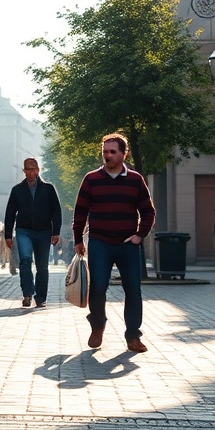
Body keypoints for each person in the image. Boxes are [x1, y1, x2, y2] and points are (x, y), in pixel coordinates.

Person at [72, 132, 155, 353]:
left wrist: (139, 235)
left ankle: (133, 336)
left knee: (133, 290)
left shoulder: (136, 180)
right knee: (98, 287)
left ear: (123, 154)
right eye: (104, 151)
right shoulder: (91, 179)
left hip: (128, 244)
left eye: (112, 152)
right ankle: (97, 326)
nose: (107, 155)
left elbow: (148, 211)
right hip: (100, 242)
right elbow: (80, 211)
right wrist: (78, 239)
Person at [4, 157, 62, 308]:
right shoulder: (17, 190)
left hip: (44, 231)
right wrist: (8, 235)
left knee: (42, 266)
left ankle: (40, 297)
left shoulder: (48, 189)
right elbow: (10, 213)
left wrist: (56, 232)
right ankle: (27, 293)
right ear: (23, 171)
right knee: (25, 260)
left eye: (32, 169)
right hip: (24, 231)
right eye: (27, 169)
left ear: (37, 170)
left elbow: (56, 211)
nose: (30, 172)